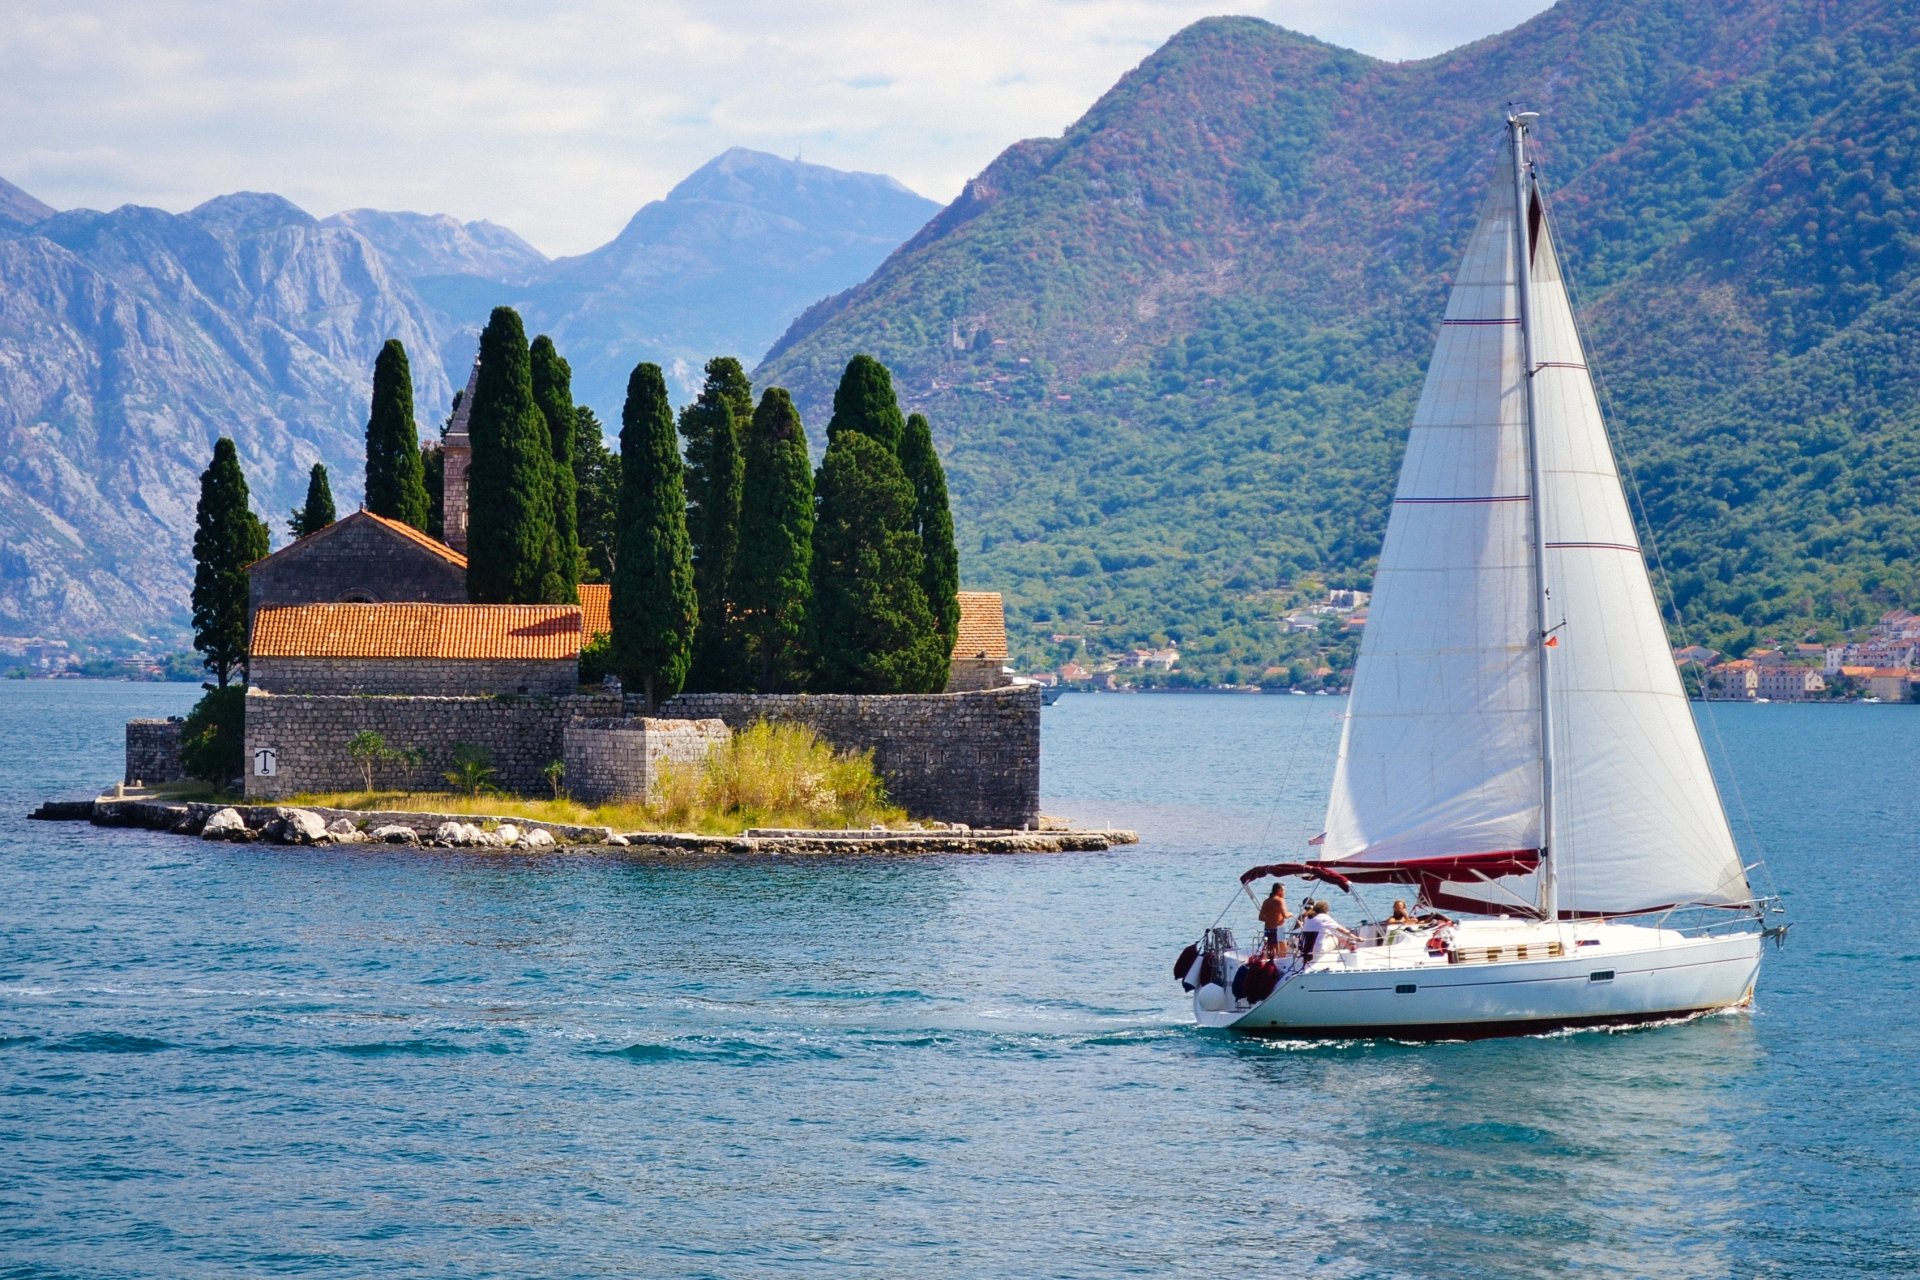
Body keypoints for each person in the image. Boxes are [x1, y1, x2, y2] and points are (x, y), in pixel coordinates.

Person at [1257, 883, 1290, 955]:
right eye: (1284, 890)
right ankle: (1282, 964)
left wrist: (1271, 919)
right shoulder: (1280, 900)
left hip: (1268, 929)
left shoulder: (1266, 901)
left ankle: (1271, 964)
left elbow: (1261, 917)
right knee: (1282, 951)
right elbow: (1285, 915)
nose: (1284, 893)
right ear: (1279, 891)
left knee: (1270, 951)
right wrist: (1291, 914)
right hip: (1279, 929)